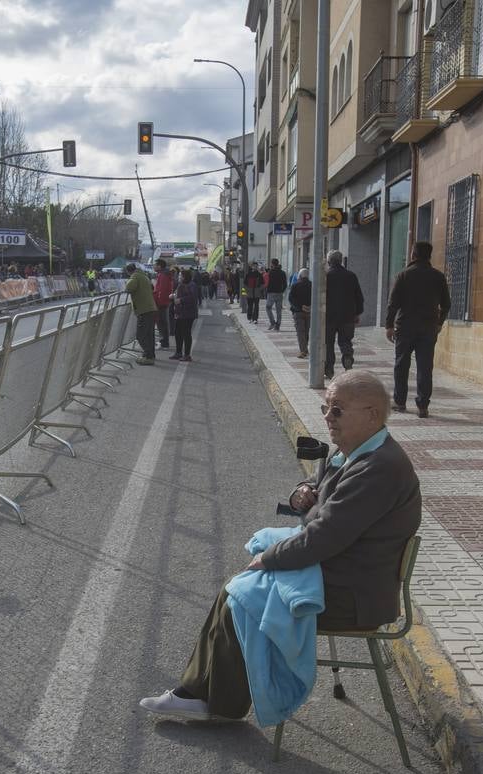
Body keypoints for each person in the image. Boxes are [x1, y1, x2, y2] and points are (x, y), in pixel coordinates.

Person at [138, 371, 422, 721]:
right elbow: (320, 487)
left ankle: (214, 702)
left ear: (371, 415)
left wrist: (268, 559)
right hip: (336, 573)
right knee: (236, 591)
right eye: (325, 408)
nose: (327, 418)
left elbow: (325, 536)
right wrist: (301, 493)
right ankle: (201, 694)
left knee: (242, 595)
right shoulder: (357, 451)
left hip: (353, 595)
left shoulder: (380, 468)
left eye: (337, 411)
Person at [385, 241, 452, 418]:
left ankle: (400, 402)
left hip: (405, 327)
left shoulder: (403, 275)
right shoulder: (438, 276)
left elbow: (393, 304)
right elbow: (446, 304)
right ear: (429, 255)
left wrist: (389, 325)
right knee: (425, 367)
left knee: (401, 365)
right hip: (428, 328)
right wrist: (439, 323)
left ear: (413, 254)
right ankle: (423, 406)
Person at [323, 250, 364, 378]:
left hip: (328, 316)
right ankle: (347, 358)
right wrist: (357, 313)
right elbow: (359, 296)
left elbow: (319, 297)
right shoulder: (351, 276)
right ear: (341, 261)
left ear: (329, 261)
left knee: (328, 343)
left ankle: (329, 368)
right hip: (347, 316)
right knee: (346, 341)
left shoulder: (326, 276)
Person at [125, 263, 157, 365]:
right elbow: (152, 287)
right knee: (149, 334)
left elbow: (128, 288)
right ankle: (150, 355)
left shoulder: (135, 277)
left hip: (144, 309)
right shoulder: (144, 276)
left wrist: (128, 281)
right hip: (151, 308)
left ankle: (148, 356)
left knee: (141, 335)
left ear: (129, 271)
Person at [171, 267, 199, 362]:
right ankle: (178, 352)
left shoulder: (192, 285)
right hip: (180, 312)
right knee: (177, 332)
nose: (179, 277)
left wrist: (181, 300)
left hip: (188, 313)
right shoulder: (181, 285)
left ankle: (187, 355)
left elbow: (192, 298)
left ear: (185, 276)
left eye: (180, 276)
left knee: (186, 334)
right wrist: (174, 296)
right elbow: (179, 294)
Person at [288, 267, 311, 359]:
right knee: (306, 331)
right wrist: (309, 306)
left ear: (300, 275)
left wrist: (300, 306)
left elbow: (291, 299)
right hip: (309, 312)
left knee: (300, 332)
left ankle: (303, 351)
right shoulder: (312, 285)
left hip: (298, 312)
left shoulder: (295, 285)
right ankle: (305, 349)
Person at [153, 259, 175, 350]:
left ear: (160, 266)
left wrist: (158, 302)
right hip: (163, 302)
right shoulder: (162, 274)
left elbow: (161, 290)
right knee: (162, 323)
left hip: (161, 302)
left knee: (162, 323)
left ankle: (164, 342)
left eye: (155, 265)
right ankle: (164, 341)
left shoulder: (163, 275)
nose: (154, 267)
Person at [265, 258, 287, 331]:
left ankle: (272, 322)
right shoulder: (282, 273)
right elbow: (285, 284)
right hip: (279, 293)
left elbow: (267, 283)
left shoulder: (270, 273)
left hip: (271, 293)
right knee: (278, 310)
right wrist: (282, 290)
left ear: (272, 264)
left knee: (268, 308)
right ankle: (278, 325)